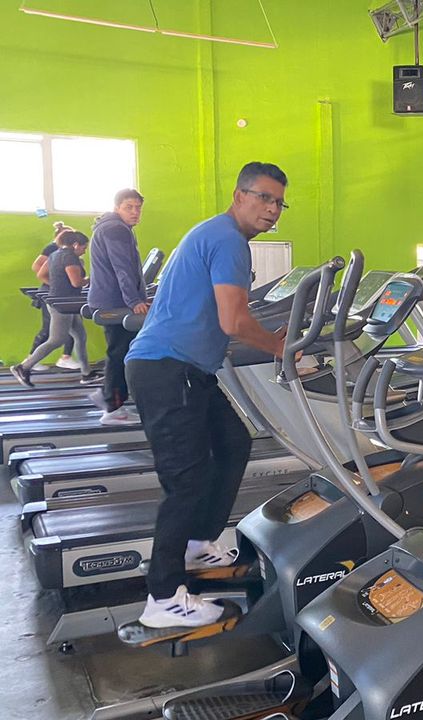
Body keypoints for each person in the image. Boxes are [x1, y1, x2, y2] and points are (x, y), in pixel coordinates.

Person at [127, 162, 289, 628]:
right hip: (167, 369)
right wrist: (279, 347)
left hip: (186, 370)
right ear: (239, 196)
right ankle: (163, 598)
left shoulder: (217, 235)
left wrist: (266, 338)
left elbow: (226, 315)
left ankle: (199, 544)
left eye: (279, 202)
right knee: (187, 481)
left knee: (233, 443)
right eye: (263, 197)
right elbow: (233, 321)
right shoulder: (228, 240)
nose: (272, 209)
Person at [87, 189, 147, 425]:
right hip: (116, 302)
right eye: (128, 207)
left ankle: (107, 397)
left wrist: (138, 297)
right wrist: (134, 301)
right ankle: (112, 408)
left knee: (118, 351)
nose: (135, 212)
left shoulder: (110, 227)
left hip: (111, 300)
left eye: (138, 207)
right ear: (116, 208)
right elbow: (122, 269)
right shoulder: (116, 230)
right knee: (119, 353)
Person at [10, 232, 95, 387]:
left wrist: (57, 285)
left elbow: (41, 274)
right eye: (84, 247)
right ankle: (23, 367)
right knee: (57, 340)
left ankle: (86, 373)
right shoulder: (70, 257)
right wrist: (92, 279)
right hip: (63, 304)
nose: (84, 251)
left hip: (63, 301)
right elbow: (76, 283)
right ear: (75, 245)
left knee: (80, 336)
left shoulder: (55, 254)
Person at [28, 223, 80, 371]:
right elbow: (37, 267)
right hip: (53, 293)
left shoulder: (68, 252)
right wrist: (55, 283)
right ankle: (30, 360)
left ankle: (66, 357)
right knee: (49, 330)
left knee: (74, 328)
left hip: (64, 293)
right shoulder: (53, 249)